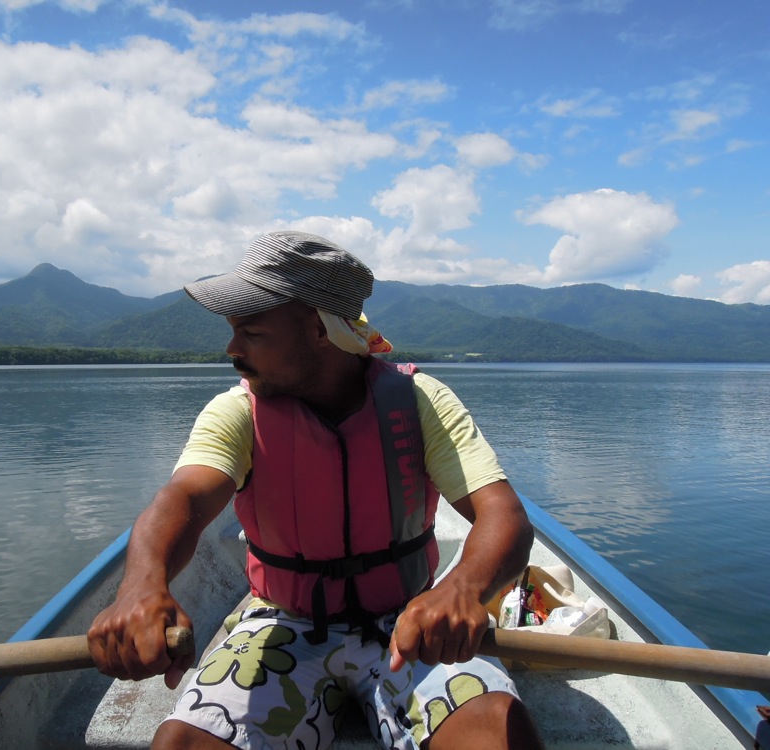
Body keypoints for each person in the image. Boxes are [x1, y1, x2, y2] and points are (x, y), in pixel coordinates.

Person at [88, 231, 544, 749]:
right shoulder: (237, 412)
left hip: (410, 620)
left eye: (252, 332)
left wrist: (460, 589)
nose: (232, 349)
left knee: (496, 735)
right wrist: (143, 587)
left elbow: (503, 515)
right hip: (282, 623)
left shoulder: (420, 401)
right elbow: (182, 502)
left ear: (319, 330)